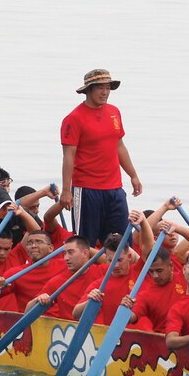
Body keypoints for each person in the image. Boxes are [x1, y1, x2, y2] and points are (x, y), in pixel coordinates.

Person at [59, 68, 143, 246]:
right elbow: (69, 155)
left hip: (115, 189)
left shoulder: (114, 112)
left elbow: (119, 146)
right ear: (88, 90)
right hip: (86, 189)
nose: (105, 92)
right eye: (100, 88)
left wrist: (133, 175)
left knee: (121, 242)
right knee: (85, 243)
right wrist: (66, 190)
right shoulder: (74, 118)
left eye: (108, 88)